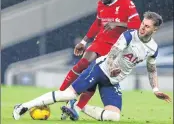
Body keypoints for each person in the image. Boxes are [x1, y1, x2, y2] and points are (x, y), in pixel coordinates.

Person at [13, 11, 171, 122]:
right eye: (143, 24)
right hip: (99, 70)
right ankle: (23, 106)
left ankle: (78, 106)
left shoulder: (153, 48)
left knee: (114, 117)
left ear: (155, 29)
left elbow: (152, 69)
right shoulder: (129, 35)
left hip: (112, 81)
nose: (142, 28)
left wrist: (156, 89)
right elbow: (112, 53)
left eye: (147, 26)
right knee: (67, 94)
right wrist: (111, 66)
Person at [59, 0, 141, 119]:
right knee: (83, 63)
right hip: (101, 41)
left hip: (116, 46)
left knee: (94, 74)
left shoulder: (126, 3)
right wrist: (84, 41)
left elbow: (137, 25)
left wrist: (118, 24)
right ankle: (62, 93)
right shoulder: (101, 4)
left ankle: (76, 108)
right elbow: (97, 23)